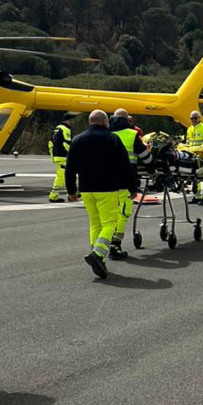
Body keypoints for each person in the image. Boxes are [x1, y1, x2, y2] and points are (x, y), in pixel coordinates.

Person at [66, 110, 138, 279]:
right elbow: (124, 165)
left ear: (90, 122)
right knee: (110, 223)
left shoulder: (77, 139)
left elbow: (69, 168)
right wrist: (132, 187)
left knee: (95, 223)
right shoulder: (112, 139)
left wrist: (71, 191)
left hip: (86, 189)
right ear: (106, 122)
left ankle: (99, 258)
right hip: (107, 188)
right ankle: (97, 255)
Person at [109, 108, 152, 259]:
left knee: (108, 214)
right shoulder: (131, 135)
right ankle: (115, 244)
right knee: (124, 212)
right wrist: (152, 168)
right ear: (127, 120)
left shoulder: (107, 133)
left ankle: (100, 247)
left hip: (106, 181)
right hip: (125, 180)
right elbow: (145, 157)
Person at [186, 111, 203, 204]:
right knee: (195, 177)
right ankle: (197, 196)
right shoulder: (189, 129)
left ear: (199, 118)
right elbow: (187, 144)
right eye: (192, 118)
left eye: (195, 118)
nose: (193, 120)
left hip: (202, 157)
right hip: (192, 157)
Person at [48, 114, 72, 202]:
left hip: (57, 156)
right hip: (63, 156)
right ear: (67, 120)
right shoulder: (65, 130)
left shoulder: (57, 129)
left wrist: (53, 156)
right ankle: (53, 196)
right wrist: (73, 153)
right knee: (62, 177)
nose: (71, 122)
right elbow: (67, 144)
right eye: (70, 120)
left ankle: (71, 194)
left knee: (66, 176)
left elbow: (51, 143)